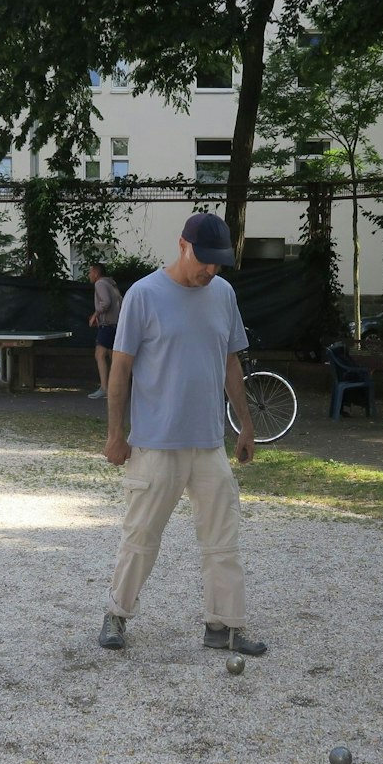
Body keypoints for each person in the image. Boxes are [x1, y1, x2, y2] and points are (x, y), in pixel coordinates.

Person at [98, 212, 267, 657]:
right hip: (155, 443)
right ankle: (116, 614)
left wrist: (245, 425)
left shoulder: (223, 294)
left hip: (209, 442)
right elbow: (120, 368)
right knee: (140, 536)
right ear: (181, 245)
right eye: (204, 260)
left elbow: (232, 363)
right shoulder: (144, 294)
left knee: (222, 540)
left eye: (218, 263)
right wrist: (117, 434)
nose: (210, 270)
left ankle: (224, 626)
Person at [86, 261, 122, 400]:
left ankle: (104, 388)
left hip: (107, 325)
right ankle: (117, 386)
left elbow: (105, 303)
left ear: (95, 272)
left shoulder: (99, 284)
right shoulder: (111, 283)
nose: (89, 275)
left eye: (90, 272)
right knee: (113, 357)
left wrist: (96, 314)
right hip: (115, 324)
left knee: (99, 355)